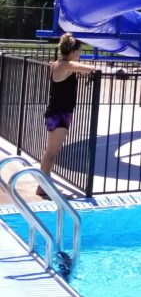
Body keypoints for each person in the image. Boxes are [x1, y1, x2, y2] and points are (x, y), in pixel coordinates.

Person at [37, 33, 96, 197]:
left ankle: (43, 186)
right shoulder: (67, 65)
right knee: (51, 152)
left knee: (50, 151)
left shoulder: (59, 64)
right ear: (72, 51)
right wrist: (87, 70)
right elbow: (91, 68)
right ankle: (45, 187)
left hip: (58, 112)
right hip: (59, 114)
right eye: (79, 51)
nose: (80, 54)